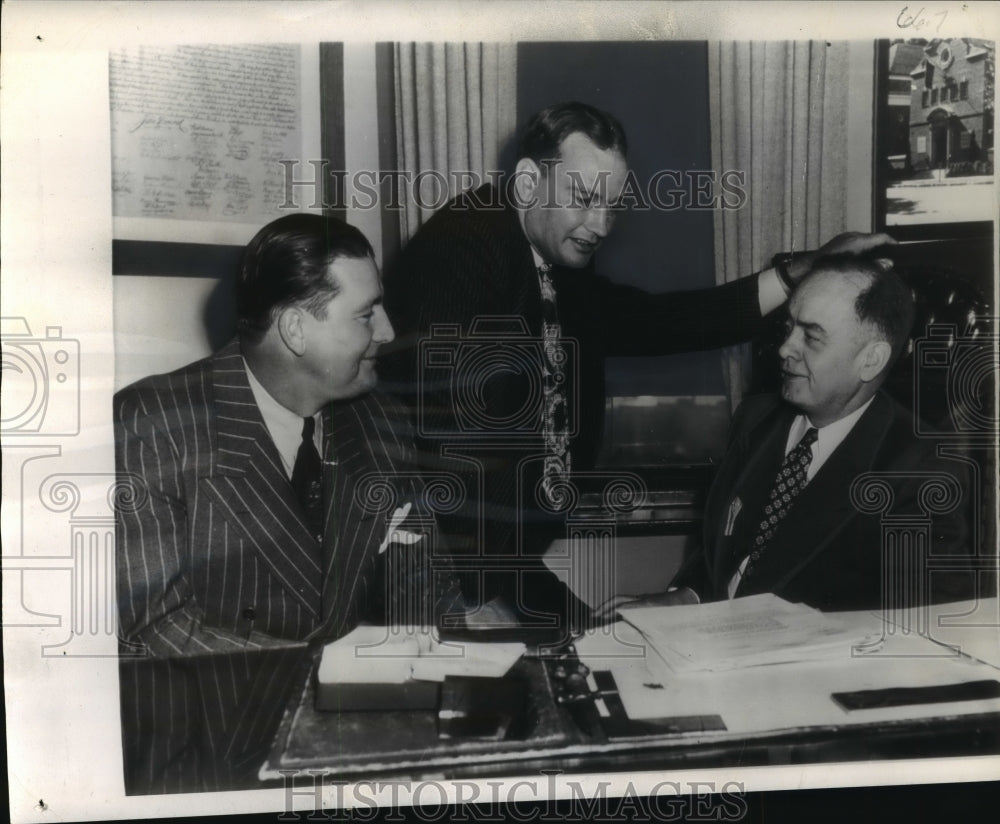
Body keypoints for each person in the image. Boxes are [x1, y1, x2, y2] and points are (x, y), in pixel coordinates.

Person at [380, 101, 893, 630]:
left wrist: (793, 274)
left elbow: (654, 321)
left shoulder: (551, 249)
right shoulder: (461, 249)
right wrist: (475, 599)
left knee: (613, 648)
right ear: (529, 181)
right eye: (583, 199)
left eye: (612, 204)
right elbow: (454, 453)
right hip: (452, 568)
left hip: (502, 561)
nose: (601, 225)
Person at [115, 214, 459, 793]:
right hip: (203, 764)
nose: (388, 330)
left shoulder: (381, 424)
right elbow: (158, 625)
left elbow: (429, 588)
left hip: (354, 754)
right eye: (366, 314)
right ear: (297, 330)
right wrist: (332, 673)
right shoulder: (154, 424)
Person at [621, 257, 972, 612]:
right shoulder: (755, 418)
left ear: (871, 360)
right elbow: (727, 548)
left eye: (812, 337)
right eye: (788, 328)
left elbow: (926, 632)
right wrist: (686, 596)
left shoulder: (921, 469)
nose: (785, 348)